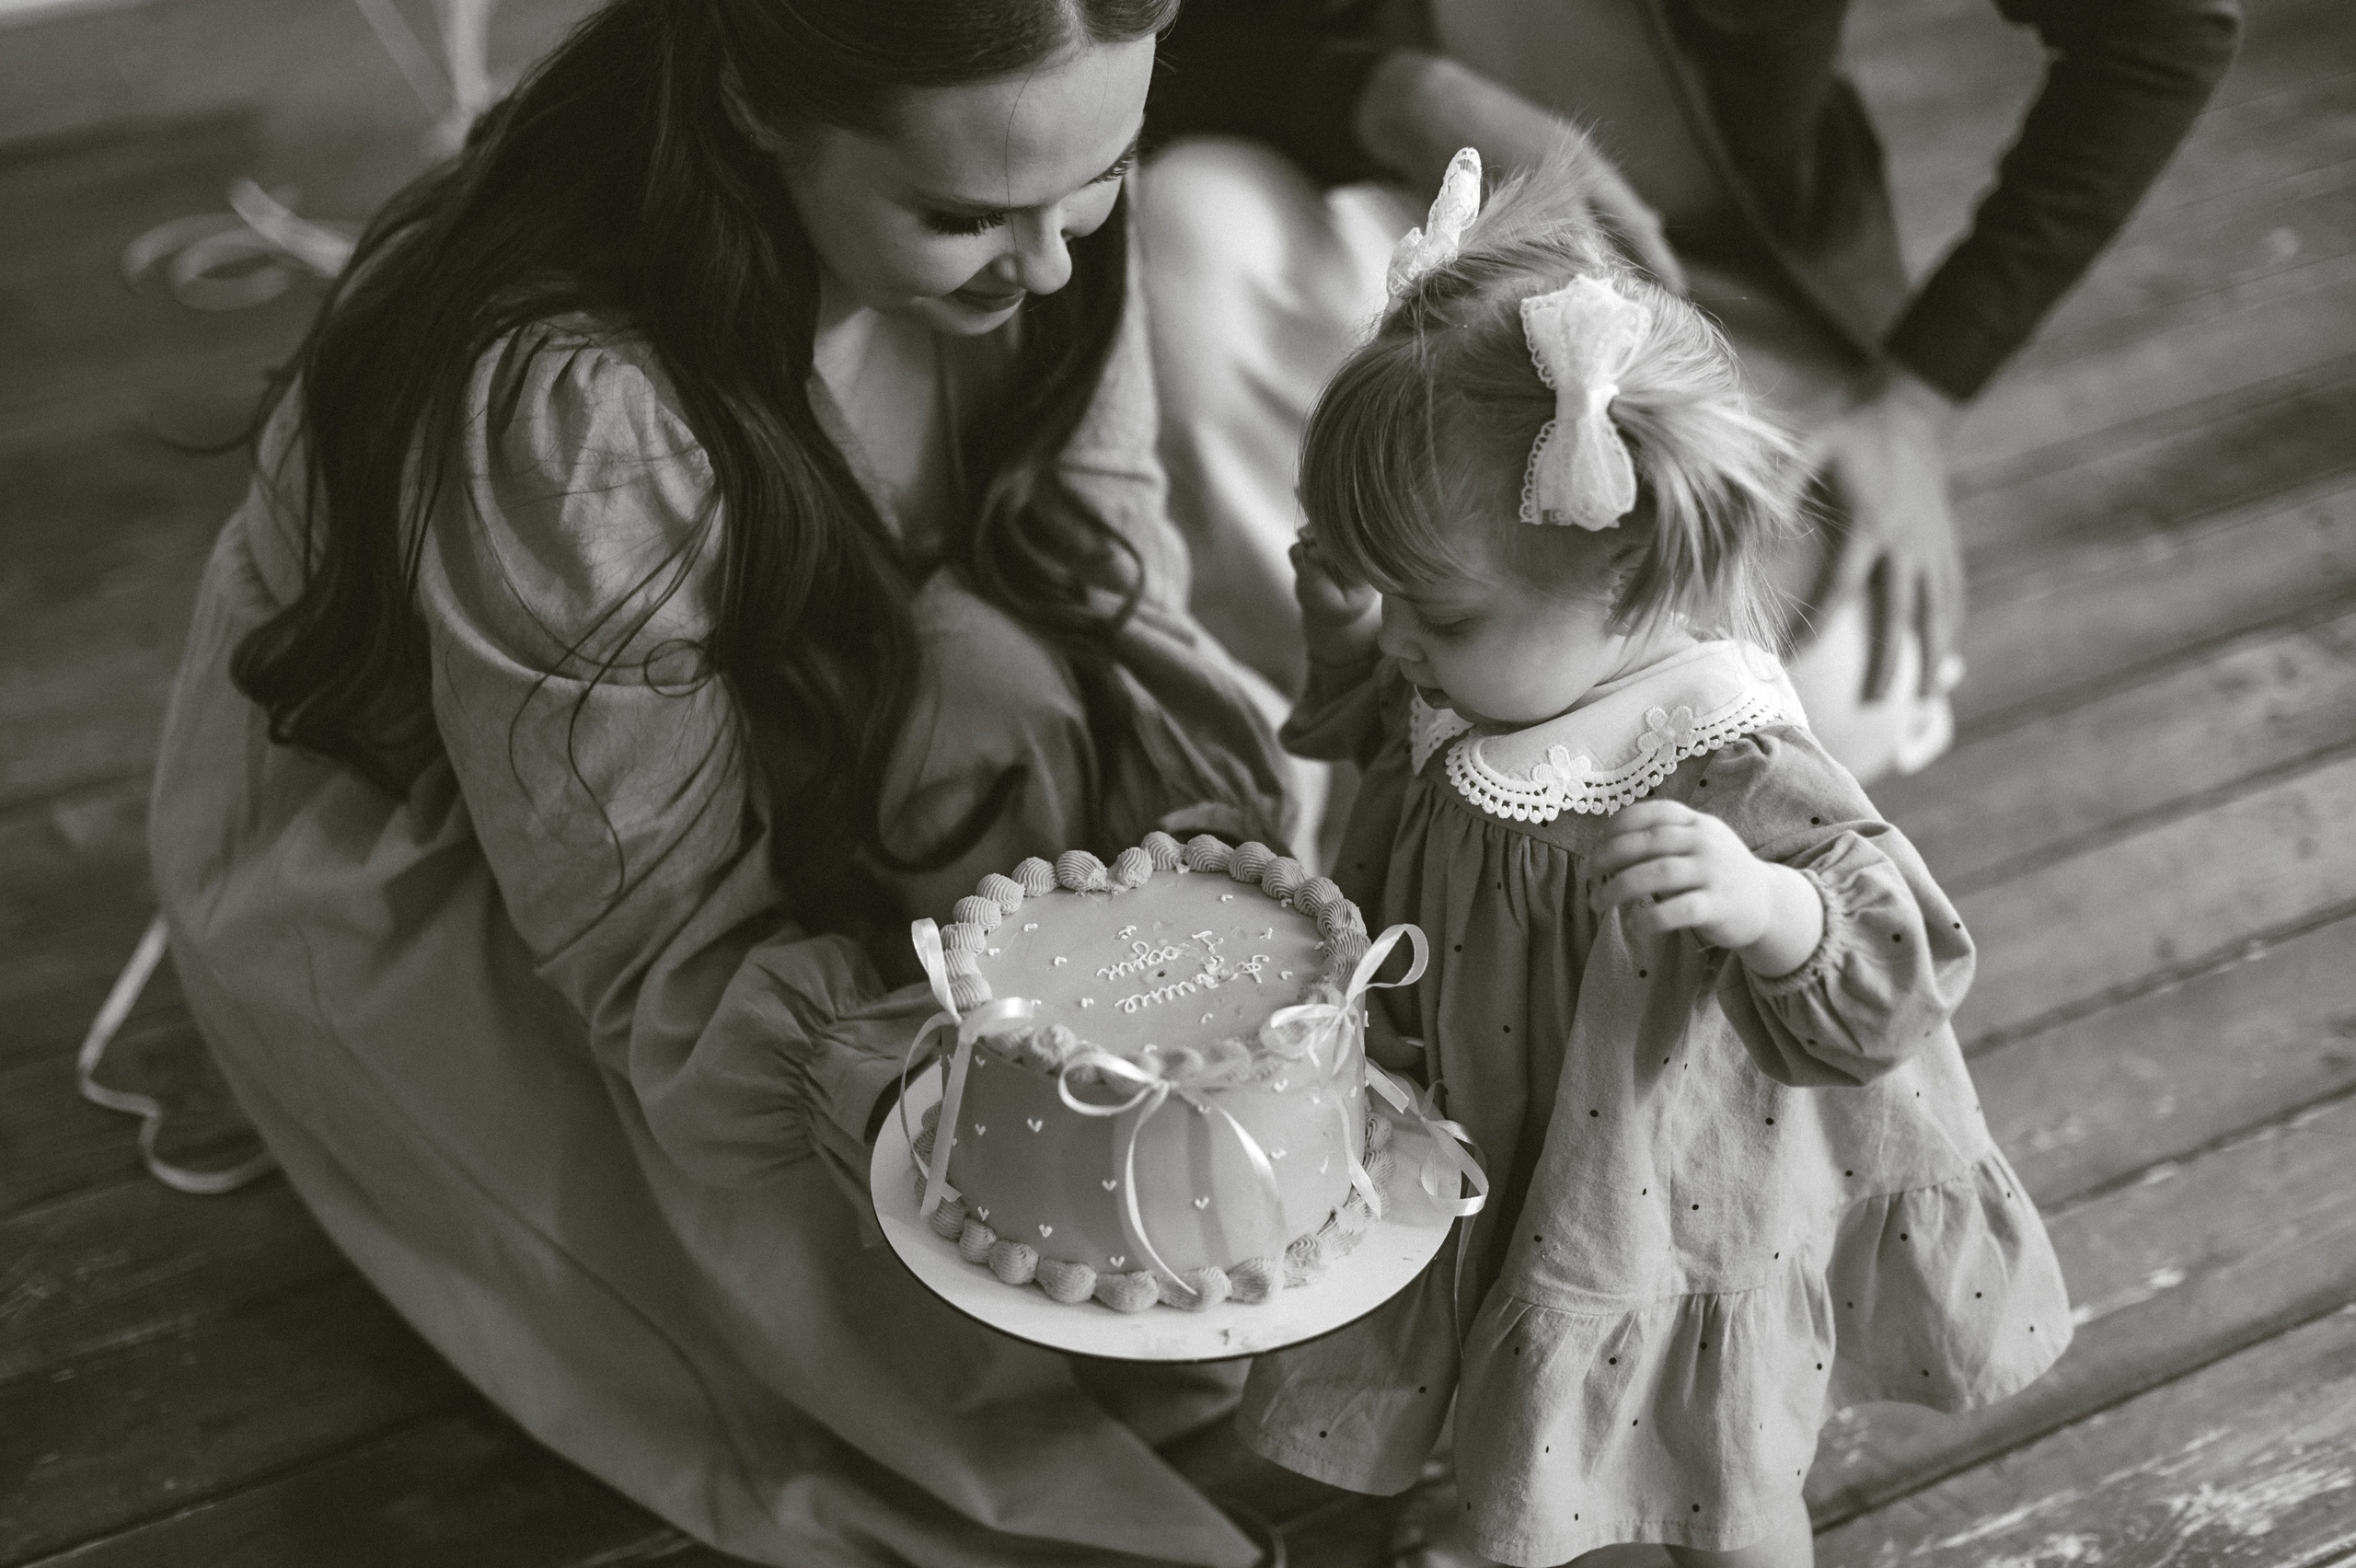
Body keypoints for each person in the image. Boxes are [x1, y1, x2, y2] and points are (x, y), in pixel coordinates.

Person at [148, 3, 1317, 1563]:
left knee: (1078, 818)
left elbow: (1096, 573)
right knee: (882, 1350)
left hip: (799, 674)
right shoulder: (577, 412)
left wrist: (1201, 875)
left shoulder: (1045, 203)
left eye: (1095, 185)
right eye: (962, 214)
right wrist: (955, 1094)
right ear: (764, 115)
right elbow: (661, 953)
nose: (1046, 267)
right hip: (474, 850)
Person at [1238, 156, 2071, 1566]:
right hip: (1490, 1108)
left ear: (1623, 580)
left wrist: (1772, 908)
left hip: (1658, 1176)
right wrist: (1350, 632)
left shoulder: (1724, 752)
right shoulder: (1485, 675)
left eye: (1425, 616)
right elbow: (1372, 745)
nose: (1401, 648)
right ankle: (1513, 1496)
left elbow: (1896, 975)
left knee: (1707, 1434)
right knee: (1500, 1330)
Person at [1140, 0, 2240, 779]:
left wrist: (1918, 400)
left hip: (1719, 300)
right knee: (1189, 229)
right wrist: (1387, 92)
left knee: (1836, 697)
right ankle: (1340, 742)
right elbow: (1158, 32)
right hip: (1416, 248)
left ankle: (1444, 740)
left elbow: (2165, 33)